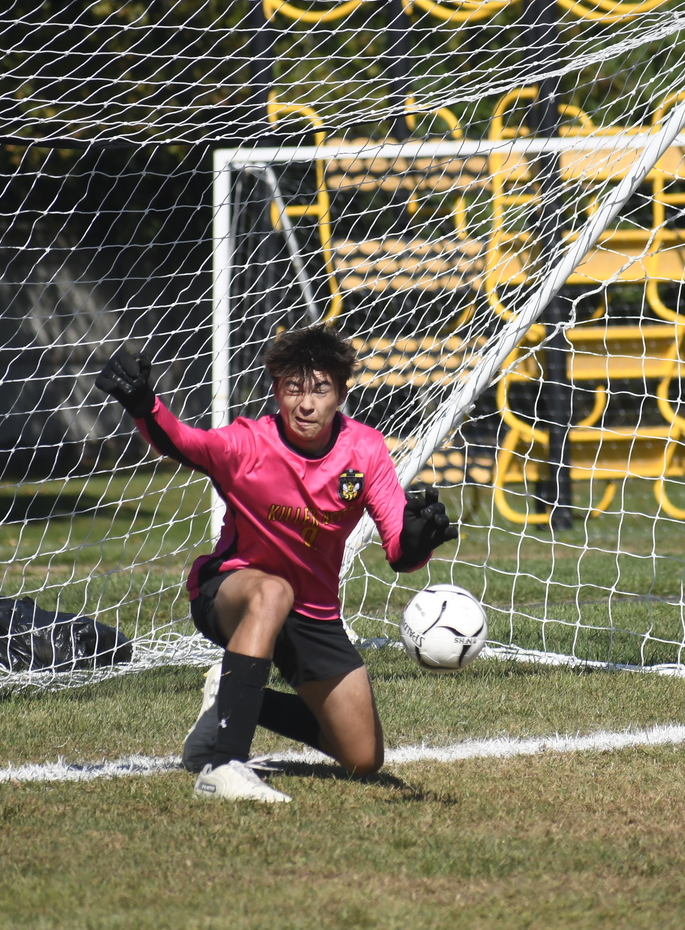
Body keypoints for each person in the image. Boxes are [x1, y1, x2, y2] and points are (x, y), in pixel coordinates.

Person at [94, 325, 457, 803]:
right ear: (275, 391)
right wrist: (145, 404)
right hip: (230, 591)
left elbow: (398, 551)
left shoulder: (365, 450)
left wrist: (416, 541)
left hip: (313, 614)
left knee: (362, 756)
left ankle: (229, 699)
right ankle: (224, 767)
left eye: (320, 389)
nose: (306, 404)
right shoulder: (249, 443)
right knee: (273, 591)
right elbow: (184, 443)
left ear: (341, 394)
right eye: (293, 389)